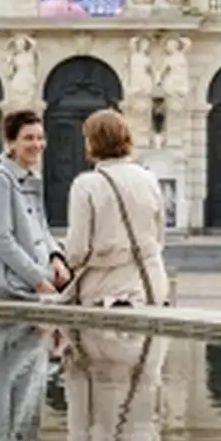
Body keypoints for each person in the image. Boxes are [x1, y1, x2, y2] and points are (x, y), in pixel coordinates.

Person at [62, 108, 169, 307]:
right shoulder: (148, 178)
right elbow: (160, 236)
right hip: (151, 286)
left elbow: (78, 251)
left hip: (107, 291)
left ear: (92, 142)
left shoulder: (86, 185)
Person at [0, 109, 69, 301]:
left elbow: (42, 228)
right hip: (13, 288)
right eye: (28, 138)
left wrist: (56, 258)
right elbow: (2, 239)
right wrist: (39, 282)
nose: (37, 145)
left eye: (40, 138)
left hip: (36, 283)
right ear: (11, 143)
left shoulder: (33, 178)